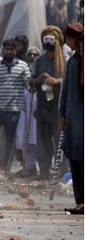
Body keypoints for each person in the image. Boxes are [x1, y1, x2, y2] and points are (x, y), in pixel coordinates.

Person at [0, 39, 31, 174]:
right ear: (3, 50)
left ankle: (6, 167)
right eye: (7, 49)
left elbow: (28, 84)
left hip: (14, 109)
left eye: (12, 49)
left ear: (15, 51)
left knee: (10, 139)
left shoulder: (23, 66)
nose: (9, 52)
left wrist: (35, 83)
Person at [29, 26, 66, 180]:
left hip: (59, 107)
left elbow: (70, 81)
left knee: (60, 141)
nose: (49, 42)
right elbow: (30, 82)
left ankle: (61, 172)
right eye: (46, 39)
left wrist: (56, 81)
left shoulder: (66, 58)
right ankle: (44, 171)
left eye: (52, 39)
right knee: (43, 141)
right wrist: (38, 80)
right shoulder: (39, 60)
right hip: (43, 106)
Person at [59, 23, 83, 214]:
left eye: (69, 39)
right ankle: (80, 200)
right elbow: (66, 90)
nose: (67, 43)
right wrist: (62, 114)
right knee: (75, 159)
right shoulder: (73, 61)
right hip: (73, 119)